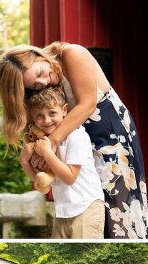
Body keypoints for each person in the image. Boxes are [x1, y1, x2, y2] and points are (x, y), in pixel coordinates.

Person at [0, 42, 148, 240]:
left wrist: (51, 143)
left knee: (119, 206)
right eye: (34, 85)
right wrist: (37, 154)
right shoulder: (37, 86)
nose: (43, 83)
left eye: (41, 73)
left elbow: (87, 104)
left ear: (38, 55)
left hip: (109, 132)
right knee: (88, 203)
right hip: (72, 135)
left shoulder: (72, 54)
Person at [20, 87, 105, 238]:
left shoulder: (76, 135)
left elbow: (70, 177)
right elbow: (44, 187)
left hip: (86, 207)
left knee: (85, 254)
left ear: (64, 110)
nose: (46, 120)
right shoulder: (43, 143)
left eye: (52, 113)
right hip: (62, 211)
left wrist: (47, 153)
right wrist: (25, 161)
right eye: (39, 116)